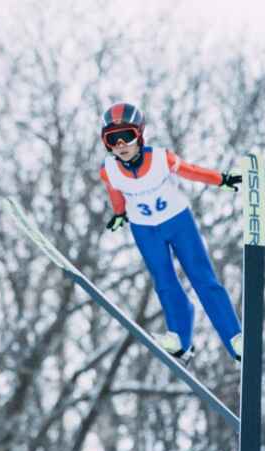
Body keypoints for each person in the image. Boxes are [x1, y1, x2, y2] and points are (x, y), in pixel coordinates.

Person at [99, 101, 243, 361]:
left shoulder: (159, 158)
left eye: (126, 137)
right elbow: (115, 194)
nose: (120, 145)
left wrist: (222, 179)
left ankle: (234, 337)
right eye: (113, 139)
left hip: (178, 221)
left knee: (202, 277)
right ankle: (180, 338)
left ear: (140, 135)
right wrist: (119, 214)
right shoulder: (108, 170)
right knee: (164, 283)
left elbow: (192, 171)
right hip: (144, 229)